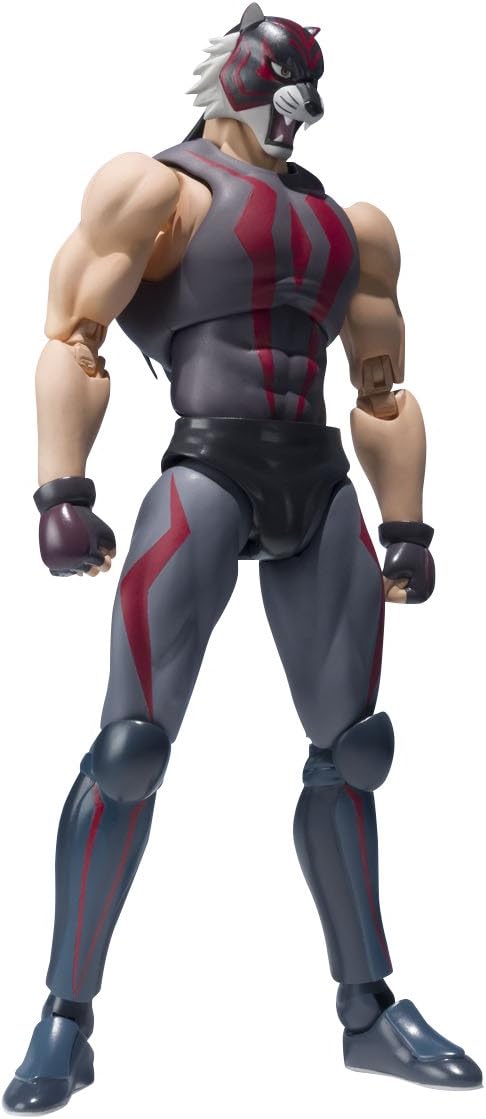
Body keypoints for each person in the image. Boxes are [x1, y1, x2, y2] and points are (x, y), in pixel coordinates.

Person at [3, 5, 481, 1112]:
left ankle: (368, 1011)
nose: (295, 111)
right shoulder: (155, 191)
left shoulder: (352, 229)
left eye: (309, 93)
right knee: (130, 750)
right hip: (208, 470)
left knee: (355, 750)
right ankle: (64, 1017)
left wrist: (408, 522)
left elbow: (382, 387)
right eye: (280, 87)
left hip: (317, 479)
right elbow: (71, 336)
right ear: (235, 82)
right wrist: (62, 490)